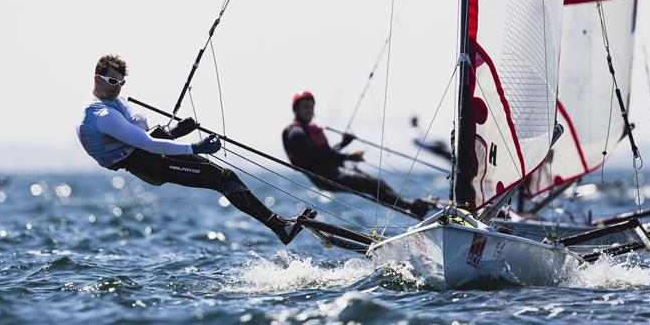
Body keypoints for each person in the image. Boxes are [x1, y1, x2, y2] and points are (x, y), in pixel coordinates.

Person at [77, 54, 314, 245]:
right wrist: (195, 146)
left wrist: (177, 131)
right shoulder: (102, 115)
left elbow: (144, 134)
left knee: (227, 177)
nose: (117, 87)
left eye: (121, 83)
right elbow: (146, 143)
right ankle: (280, 227)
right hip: (151, 164)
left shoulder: (115, 104)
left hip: (153, 155)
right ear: (97, 79)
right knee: (221, 179)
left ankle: (280, 223)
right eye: (112, 82)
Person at [282, 91, 431, 217]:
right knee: (371, 184)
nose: (309, 110)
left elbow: (326, 154)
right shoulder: (297, 133)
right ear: (296, 110)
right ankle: (412, 208)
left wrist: (344, 143)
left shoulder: (310, 129)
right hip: (325, 177)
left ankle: (410, 205)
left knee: (377, 182)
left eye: (311, 106)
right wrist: (348, 156)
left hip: (333, 171)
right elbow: (318, 158)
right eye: (305, 107)